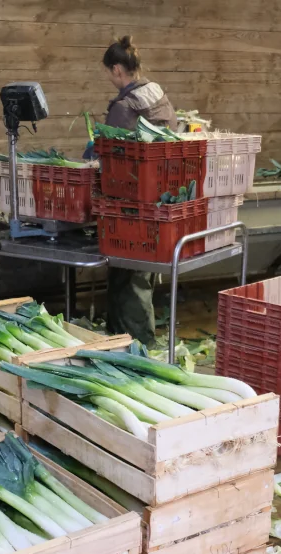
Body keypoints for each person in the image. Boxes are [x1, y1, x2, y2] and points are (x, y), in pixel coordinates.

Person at [99, 36, 177, 345]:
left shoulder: (124, 105)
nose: (109, 77)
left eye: (108, 71)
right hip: (161, 192)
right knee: (138, 272)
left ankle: (139, 342)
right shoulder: (157, 94)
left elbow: (112, 152)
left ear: (117, 69)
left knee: (128, 273)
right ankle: (124, 337)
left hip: (132, 198)